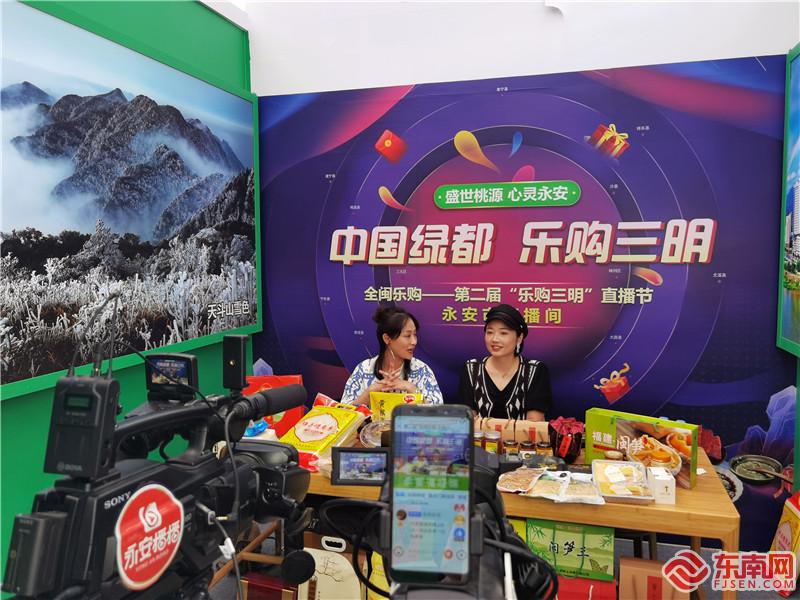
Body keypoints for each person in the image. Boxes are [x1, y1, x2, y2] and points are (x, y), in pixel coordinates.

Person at [454, 303, 552, 421]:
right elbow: (467, 422)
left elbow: (534, 424)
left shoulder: (535, 371)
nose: (494, 339)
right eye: (490, 332)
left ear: (519, 338)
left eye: (503, 333)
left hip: (522, 434)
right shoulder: (471, 369)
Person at [341, 306, 443, 406]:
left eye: (415, 335)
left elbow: (438, 413)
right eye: (407, 336)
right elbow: (343, 412)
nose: (414, 342)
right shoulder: (363, 370)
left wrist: (411, 389)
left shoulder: (422, 371)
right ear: (387, 339)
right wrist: (368, 393)